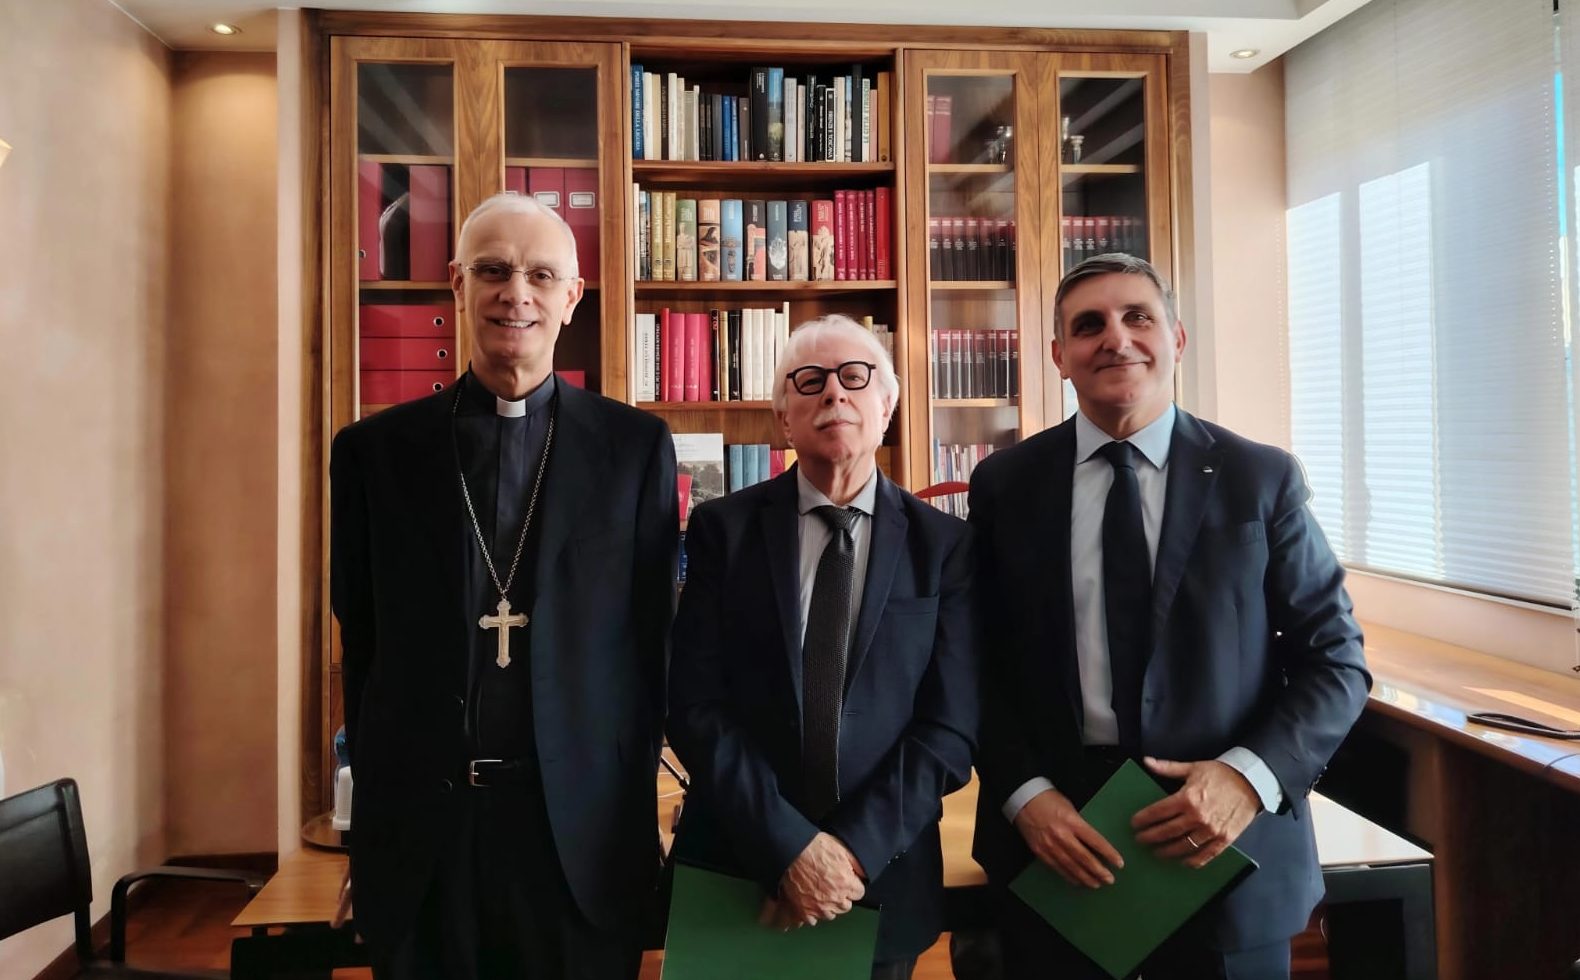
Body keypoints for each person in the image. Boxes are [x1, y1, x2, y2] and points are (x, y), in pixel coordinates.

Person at [969, 254, 1371, 978]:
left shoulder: (1260, 478)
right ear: (1059, 356)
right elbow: (975, 663)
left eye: (1138, 317)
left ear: (1177, 339)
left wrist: (1249, 779)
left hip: (1227, 850)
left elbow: (1336, 660)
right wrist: (1025, 796)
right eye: (1088, 326)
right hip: (1059, 849)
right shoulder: (1006, 484)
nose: (1115, 339)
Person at [331, 192, 678, 979]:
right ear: (457, 284)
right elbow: (366, 652)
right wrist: (370, 834)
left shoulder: (634, 450)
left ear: (571, 297)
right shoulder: (373, 455)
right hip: (427, 836)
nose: (514, 293)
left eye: (540, 275)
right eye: (492, 271)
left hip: (578, 837)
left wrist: (637, 822)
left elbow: (650, 650)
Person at [667, 315, 978, 979]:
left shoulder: (944, 547)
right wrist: (788, 848)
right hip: (736, 867)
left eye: (855, 377)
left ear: (886, 406)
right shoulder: (723, 531)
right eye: (809, 381)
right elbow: (694, 704)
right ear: (784, 418)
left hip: (879, 878)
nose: (834, 392)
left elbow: (949, 729)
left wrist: (849, 855)